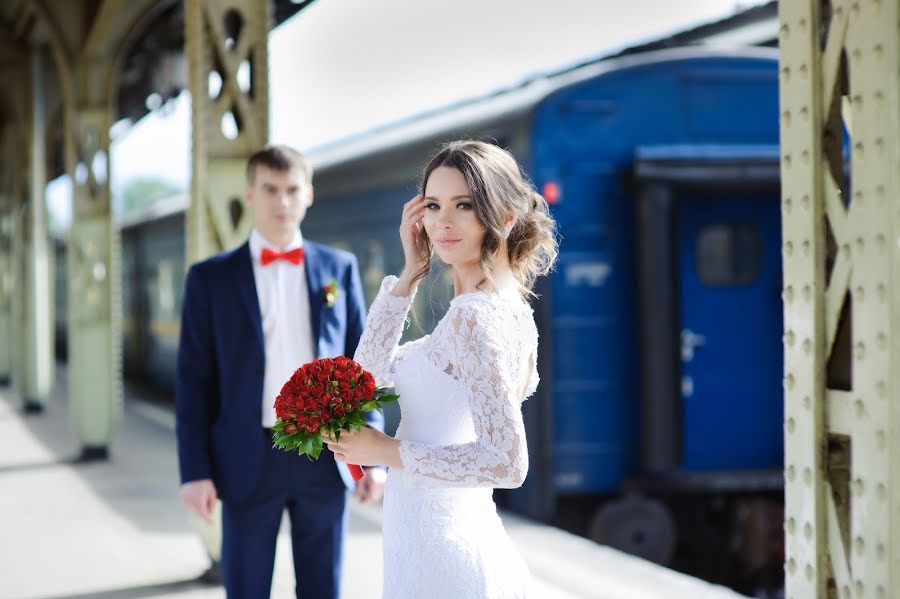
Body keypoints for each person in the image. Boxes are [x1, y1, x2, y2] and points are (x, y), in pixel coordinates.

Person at [325, 140, 558, 598]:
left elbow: (507, 462)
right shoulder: (504, 311)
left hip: (443, 556)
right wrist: (410, 273)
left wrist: (387, 450)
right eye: (433, 205)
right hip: (437, 540)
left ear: (505, 217)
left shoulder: (474, 318)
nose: (443, 222)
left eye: (464, 205)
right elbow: (367, 374)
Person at [175, 144, 385, 599]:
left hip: (326, 454)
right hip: (247, 456)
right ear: (250, 194)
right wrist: (194, 472)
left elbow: (362, 364)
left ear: (308, 194)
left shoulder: (338, 268)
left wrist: (371, 454)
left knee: (322, 588)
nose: (282, 202)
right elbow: (193, 381)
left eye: (292, 189)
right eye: (270, 189)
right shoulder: (210, 279)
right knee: (246, 589)